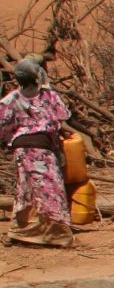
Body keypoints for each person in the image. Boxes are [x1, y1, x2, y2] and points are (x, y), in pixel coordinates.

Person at [1, 58, 76, 248]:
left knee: (26, 191)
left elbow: (3, 124)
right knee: (51, 190)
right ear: (37, 76)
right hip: (41, 150)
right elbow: (64, 115)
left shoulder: (11, 99)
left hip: (21, 149)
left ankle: (20, 233)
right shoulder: (48, 96)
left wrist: (12, 137)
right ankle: (57, 236)